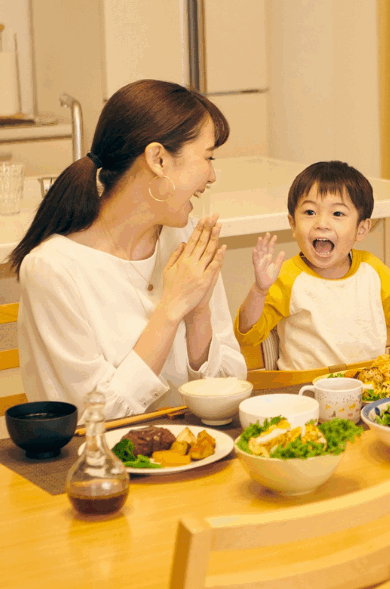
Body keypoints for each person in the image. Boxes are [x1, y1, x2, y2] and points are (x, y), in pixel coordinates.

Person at [9, 79, 246, 419]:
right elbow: (93, 420)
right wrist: (171, 309)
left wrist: (198, 318)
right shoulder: (53, 269)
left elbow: (230, 386)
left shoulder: (185, 239)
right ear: (158, 160)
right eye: (207, 158)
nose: (211, 176)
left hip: (197, 452)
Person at [235, 160, 390, 370]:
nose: (322, 223)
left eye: (338, 213)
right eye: (310, 212)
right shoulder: (286, 276)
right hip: (306, 391)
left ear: (361, 229)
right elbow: (248, 334)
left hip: (369, 384)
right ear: (292, 224)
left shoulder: (372, 269)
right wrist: (259, 290)